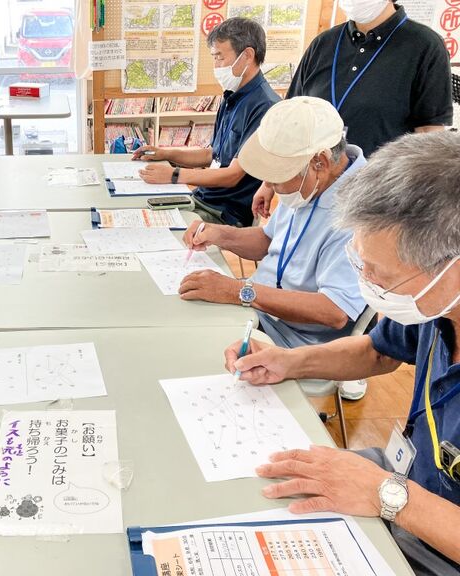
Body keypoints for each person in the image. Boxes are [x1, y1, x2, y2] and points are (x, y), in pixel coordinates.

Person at [225, 131, 460, 576]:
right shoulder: (437, 306)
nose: (365, 281)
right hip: (406, 485)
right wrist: (288, 361)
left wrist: (389, 495)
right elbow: (377, 352)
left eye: (379, 272)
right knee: (256, 485)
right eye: (360, 263)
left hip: (433, 539)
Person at [181, 97, 366, 348]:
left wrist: (238, 291)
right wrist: (219, 235)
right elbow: (269, 241)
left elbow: (334, 311)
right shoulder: (310, 184)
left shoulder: (360, 213)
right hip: (257, 312)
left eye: (278, 176)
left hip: (292, 341)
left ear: (320, 163)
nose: (269, 185)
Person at [252, 0, 452, 218]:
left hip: (376, 201)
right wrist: (268, 183)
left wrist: (421, 208)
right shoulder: (324, 43)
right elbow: (291, 116)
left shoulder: (425, 46)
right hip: (309, 191)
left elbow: (429, 135)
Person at [131, 18, 280, 228]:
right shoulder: (232, 96)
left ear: (247, 55)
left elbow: (232, 176)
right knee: (139, 210)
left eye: (220, 57)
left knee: (151, 226)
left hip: (225, 213)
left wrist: (174, 175)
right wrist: (166, 153)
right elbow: (212, 154)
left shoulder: (266, 107)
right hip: (203, 199)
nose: (216, 66)